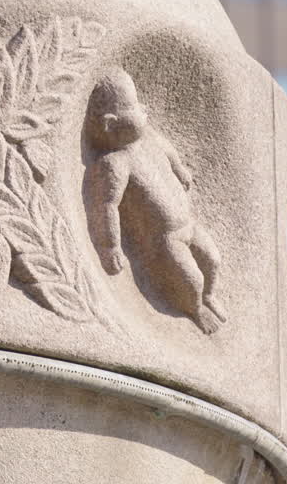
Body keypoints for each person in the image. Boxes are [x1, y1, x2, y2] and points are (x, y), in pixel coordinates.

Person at [83, 70, 227, 334]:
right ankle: (196, 308)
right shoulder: (115, 163)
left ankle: (209, 295)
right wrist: (109, 247)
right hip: (168, 238)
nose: (144, 109)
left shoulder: (148, 138)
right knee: (192, 278)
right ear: (111, 123)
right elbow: (107, 206)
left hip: (190, 224)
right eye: (134, 107)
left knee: (213, 260)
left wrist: (180, 168)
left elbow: (168, 151)